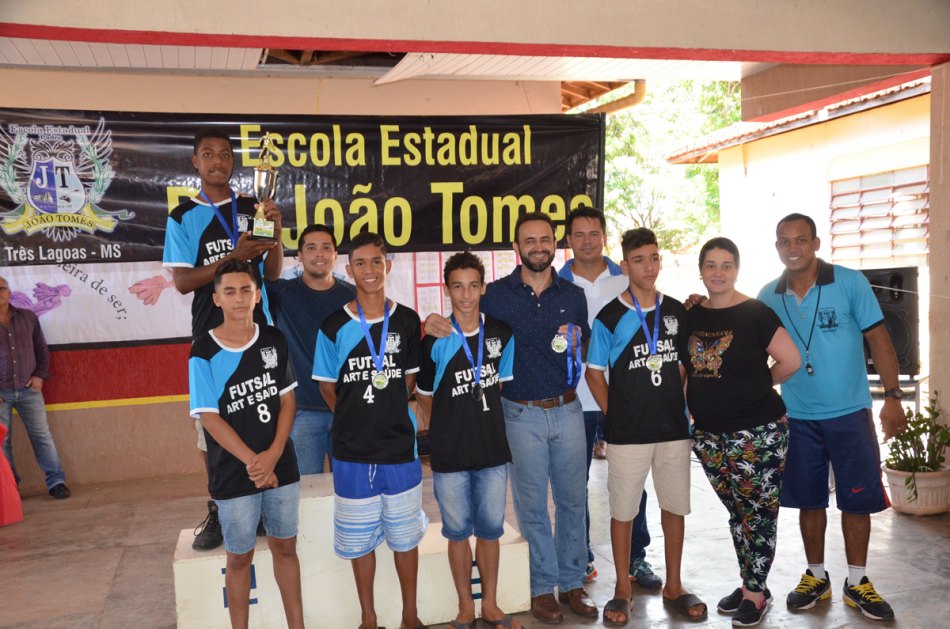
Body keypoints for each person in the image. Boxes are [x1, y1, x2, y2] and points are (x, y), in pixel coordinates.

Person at [425, 212, 595, 625]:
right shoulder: (496, 294)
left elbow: (583, 344)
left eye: (545, 239)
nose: (538, 247)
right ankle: (542, 589)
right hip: (519, 412)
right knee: (531, 506)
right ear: (516, 247)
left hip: (568, 407)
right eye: (529, 240)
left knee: (573, 501)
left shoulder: (573, 295)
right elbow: (464, 320)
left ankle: (573, 583)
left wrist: (579, 343)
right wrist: (429, 323)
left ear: (555, 244)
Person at [757, 214, 905, 622]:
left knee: (856, 500)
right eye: (785, 241)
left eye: (801, 240)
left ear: (816, 243)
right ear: (777, 247)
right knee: (810, 499)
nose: (793, 248)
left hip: (850, 413)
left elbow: (879, 339)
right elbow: (743, 335)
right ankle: (816, 576)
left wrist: (893, 397)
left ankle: (857, 581)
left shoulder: (850, 282)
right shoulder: (769, 296)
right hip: (798, 416)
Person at [163, 126, 283, 550]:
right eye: (209, 154)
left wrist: (276, 234)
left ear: (234, 161)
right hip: (211, 337)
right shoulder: (182, 216)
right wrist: (233, 257)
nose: (218, 161)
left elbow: (271, 273)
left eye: (226, 154)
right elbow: (182, 282)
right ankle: (218, 505)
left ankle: (264, 506)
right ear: (195, 162)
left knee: (262, 417)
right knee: (211, 426)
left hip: (258, 330)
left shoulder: (252, 206)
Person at [586, 228, 704, 626]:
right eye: (639, 260)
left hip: (673, 431)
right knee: (623, 511)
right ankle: (623, 588)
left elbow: (684, 367)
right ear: (625, 266)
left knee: (675, 507)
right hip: (628, 434)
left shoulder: (676, 312)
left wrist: (680, 407)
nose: (648, 266)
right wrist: (615, 414)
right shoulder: (610, 317)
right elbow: (594, 373)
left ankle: (675, 585)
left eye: (653, 258)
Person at [683, 237, 800, 627]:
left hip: (757, 434)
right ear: (701, 270)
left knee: (758, 515)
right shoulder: (692, 315)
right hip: (709, 435)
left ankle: (755, 593)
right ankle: (752, 582)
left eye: (726, 265)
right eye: (711, 265)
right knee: (738, 514)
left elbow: (791, 360)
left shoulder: (756, 313)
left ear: (737, 269)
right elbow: (690, 370)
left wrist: (757, 384)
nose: (718, 273)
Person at [313, 231, 427, 629]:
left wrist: (386, 411)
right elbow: (327, 387)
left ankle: (410, 615)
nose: (369, 270)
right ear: (349, 270)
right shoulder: (333, 326)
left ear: (388, 266)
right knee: (359, 538)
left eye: (376, 261)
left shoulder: (408, 320)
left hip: (399, 448)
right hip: (351, 452)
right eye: (360, 263)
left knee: (405, 536)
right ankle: (368, 618)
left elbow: (409, 381)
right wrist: (354, 418)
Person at [188, 260, 303, 629]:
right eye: (230, 291)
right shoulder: (203, 350)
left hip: (280, 466)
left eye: (245, 290)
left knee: (285, 547)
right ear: (216, 298)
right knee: (239, 556)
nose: (238, 298)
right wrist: (256, 463)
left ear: (257, 295)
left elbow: (288, 400)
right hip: (234, 471)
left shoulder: (273, 339)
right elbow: (209, 417)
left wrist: (273, 456)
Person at [416, 252, 521, 629]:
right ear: (447, 289)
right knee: (457, 532)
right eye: (458, 287)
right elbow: (424, 397)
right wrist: (447, 428)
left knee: (491, 529)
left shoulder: (502, 334)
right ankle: (465, 606)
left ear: (483, 288)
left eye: (473, 286)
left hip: (492, 450)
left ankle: (490, 604)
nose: (465, 295)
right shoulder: (435, 340)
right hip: (450, 454)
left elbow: (499, 387)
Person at [559, 206, 660, 591]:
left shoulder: (625, 277)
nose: (587, 241)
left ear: (603, 236)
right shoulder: (555, 284)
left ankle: (636, 556)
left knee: (632, 482)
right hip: (573, 400)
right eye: (579, 235)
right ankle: (580, 556)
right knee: (575, 485)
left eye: (594, 233)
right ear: (569, 240)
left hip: (624, 397)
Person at [266, 224, 354, 475]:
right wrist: (273, 232)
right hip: (301, 410)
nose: (319, 254)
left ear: (336, 255)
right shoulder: (281, 293)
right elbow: (254, 273)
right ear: (299, 256)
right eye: (311, 248)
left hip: (346, 408)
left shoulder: (353, 297)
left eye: (326, 248)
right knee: (306, 490)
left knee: (351, 487)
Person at [0, 275, 70, 499]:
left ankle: (56, 482)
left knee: (41, 436)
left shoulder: (27, 317)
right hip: (1, 393)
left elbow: (41, 349)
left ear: (9, 292)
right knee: (2, 441)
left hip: (29, 389)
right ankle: (10, 488)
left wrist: (39, 376)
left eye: (1, 288)